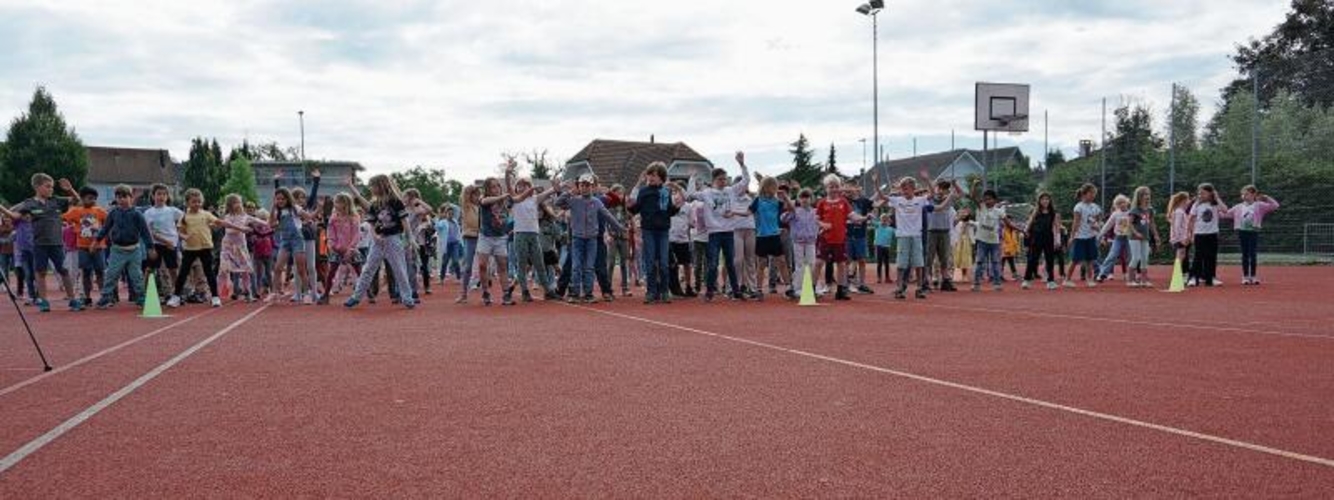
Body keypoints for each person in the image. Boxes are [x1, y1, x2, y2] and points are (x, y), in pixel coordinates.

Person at [0, 174, 81, 312]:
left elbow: (77, 200)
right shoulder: (29, 203)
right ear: (37, 187)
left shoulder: (56, 200)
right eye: (48, 186)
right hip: (39, 245)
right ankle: (44, 301)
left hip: (57, 244)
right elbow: (13, 215)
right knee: (40, 272)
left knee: (64, 271)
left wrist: (70, 189)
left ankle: (72, 299)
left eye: (52, 187)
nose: (51, 189)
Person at [344, 175, 416, 309]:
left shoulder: (396, 202)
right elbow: (371, 223)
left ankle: (407, 298)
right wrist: (375, 236)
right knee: (368, 269)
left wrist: (409, 239)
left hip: (393, 239)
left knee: (399, 269)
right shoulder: (375, 204)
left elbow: (405, 222)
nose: (371, 188)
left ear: (380, 186)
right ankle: (356, 296)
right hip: (377, 241)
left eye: (373, 186)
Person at [168, 189, 247, 308]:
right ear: (187, 203)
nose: (197, 204)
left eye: (199, 202)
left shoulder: (205, 214)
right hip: (190, 249)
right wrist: (185, 236)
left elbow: (221, 222)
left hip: (205, 248)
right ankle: (176, 296)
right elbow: (179, 231)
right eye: (194, 202)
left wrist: (240, 228)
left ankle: (215, 297)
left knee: (209, 272)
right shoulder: (185, 217)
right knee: (183, 273)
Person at [686, 152, 749, 302]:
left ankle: (736, 291)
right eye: (720, 179)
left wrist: (741, 164)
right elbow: (690, 195)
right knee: (712, 263)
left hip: (728, 232)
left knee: (730, 263)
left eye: (725, 179)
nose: (723, 182)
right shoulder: (707, 193)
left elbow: (746, 180)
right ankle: (709, 292)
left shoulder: (730, 191)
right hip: (714, 233)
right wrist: (692, 178)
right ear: (713, 180)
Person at [556, 174, 625, 303]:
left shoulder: (597, 201)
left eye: (588, 185)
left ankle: (588, 294)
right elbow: (558, 202)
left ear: (592, 187)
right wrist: (570, 192)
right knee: (575, 266)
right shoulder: (574, 200)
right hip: (577, 239)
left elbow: (608, 215)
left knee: (589, 267)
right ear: (579, 186)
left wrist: (620, 228)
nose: (585, 188)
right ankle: (575, 293)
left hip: (592, 240)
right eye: (582, 185)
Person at [628, 162, 683, 304]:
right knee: (650, 261)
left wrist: (676, 207)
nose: (651, 177)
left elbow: (669, 211)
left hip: (663, 230)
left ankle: (665, 291)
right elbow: (636, 209)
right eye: (649, 174)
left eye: (654, 175)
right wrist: (629, 206)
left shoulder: (666, 191)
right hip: (648, 230)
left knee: (664, 263)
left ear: (661, 177)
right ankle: (651, 291)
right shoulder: (644, 191)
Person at [92, 185, 152, 309]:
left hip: (134, 250)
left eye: (124, 197)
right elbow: (105, 228)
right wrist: (96, 241)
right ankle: (106, 297)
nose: (122, 200)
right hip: (117, 250)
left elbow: (145, 232)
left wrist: (150, 247)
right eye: (119, 197)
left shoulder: (137, 214)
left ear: (131, 198)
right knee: (111, 274)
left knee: (136, 275)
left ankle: (140, 297)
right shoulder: (113, 213)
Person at [876, 176, 931, 300]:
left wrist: (927, 180)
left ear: (913, 189)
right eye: (902, 189)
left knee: (919, 263)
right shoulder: (897, 200)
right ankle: (899, 288)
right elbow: (882, 197)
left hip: (916, 235)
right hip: (902, 236)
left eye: (906, 189)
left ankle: (919, 288)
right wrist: (876, 183)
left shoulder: (920, 200)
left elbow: (931, 194)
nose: (904, 191)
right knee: (901, 264)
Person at [508, 175, 559, 302]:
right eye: (519, 185)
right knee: (522, 264)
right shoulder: (516, 200)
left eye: (525, 185)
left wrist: (557, 187)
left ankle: (548, 291)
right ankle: (525, 291)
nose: (522, 188)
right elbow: (509, 187)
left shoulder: (535, 199)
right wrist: (507, 173)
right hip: (520, 235)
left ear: (530, 187)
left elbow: (549, 192)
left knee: (539, 263)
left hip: (534, 234)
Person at [816, 174, 862, 301]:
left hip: (840, 238)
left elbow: (853, 216)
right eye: (831, 187)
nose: (834, 189)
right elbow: (815, 218)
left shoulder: (844, 202)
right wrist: (822, 224)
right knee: (818, 262)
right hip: (825, 238)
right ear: (826, 188)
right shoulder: (822, 203)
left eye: (836, 186)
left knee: (841, 264)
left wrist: (863, 218)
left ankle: (841, 290)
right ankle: (813, 288)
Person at [748, 176, 794, 300]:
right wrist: (733, 213)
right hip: (762, 236)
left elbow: (791, 209)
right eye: (773, 186)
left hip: (774, 235)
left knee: (782, 262)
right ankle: (758, 290)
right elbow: (748, 212)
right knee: (761, 264)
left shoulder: (776, 201)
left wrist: (785, 197)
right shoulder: (758, 200)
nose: (775, 189)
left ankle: (789, 287)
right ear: (766, 187)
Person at [1225, 185, 1279, 285]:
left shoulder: (1259, 205)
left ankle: (1253, 276)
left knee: (1253, 254)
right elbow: (1226, 214)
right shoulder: (1238, 207)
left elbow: (1275, 206)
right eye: (1243, 194)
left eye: (1247, 194)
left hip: (1253, 232)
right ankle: (1245, 276)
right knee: (1245, 254)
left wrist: (1266, 197)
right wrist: (1215, 210)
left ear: (1254, 194)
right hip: (1242, 231)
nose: (1244, 196)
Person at [63, 186, 107, 305]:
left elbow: (108, 222)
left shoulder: (99, 211)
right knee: (86, 272)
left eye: (94, 199)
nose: (92, 201)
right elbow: (63, 218)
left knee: (100, 271)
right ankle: (86, 296)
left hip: (98, 247)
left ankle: (103, 295)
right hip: (83, 247)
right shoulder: (76, 211)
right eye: (89, 198)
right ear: (82, 199)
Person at [218, 194, 267, 303]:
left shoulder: (245, 216)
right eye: (235, 203)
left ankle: (248, 293)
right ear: (230, 205)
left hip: (241, 247)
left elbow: (260, 222)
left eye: (239, 202)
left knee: (245, 270)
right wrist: (243, 228)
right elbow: (229, 230)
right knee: (223, 269)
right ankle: (219, 293)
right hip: (228, 247)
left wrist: (270, 223)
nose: (238, 205)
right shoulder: (227, 217)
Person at [477, 170, 516, 306]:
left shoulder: (505, 201)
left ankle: (506, 294)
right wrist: (502, 197)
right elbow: (486, 201)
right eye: (492, 186)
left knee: (502, 265)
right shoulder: (484, 199)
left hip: (500, 237)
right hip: (485, 237)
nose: (496, 189)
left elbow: (513, 195)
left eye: (497, 186)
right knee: (482, 265)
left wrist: (507, 175)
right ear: (487, 189)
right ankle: (486, 292)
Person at [141, 183, 184, 303]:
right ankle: (143, 294)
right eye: (159, 194)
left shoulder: (173, 211)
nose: (161, 197)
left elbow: (185, 220)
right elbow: (149, 232)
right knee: (150, 269)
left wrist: (181, 233)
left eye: (164, 194)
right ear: (153, 196)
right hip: (156, 245)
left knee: (173, 269)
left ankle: (177, 294)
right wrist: (160, 243)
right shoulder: (149, 213)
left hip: (171, 244)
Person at [269, 186, 312, 303]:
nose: (280, 201)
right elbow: (271, 223)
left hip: (297, 239)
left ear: (287, 199)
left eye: (282, 199)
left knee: (301, 269)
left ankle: (307, 294)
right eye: (278, 199)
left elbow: (308, 216)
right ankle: (274, 293)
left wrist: (306, 220)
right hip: (285, 241)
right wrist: (273, 207)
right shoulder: (277, 211)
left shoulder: (294, 208)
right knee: (277, 268)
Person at [971, 190, 1017, 292]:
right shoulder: (981, 207)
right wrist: (974, 186)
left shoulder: (999, 211)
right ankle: (976, 283)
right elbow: (973, 196)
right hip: (982, 240)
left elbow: (1008, 223)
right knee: (979, 262)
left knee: (996, 262)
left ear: (995, 200)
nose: (988, 201)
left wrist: (1021, 229)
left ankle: (997, 283)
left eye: (990, 199)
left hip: (994, 242)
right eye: (986, 199)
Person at [923, 178, 962, 292]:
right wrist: (930, 182)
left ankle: (945, 281)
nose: (941, 190)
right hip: (931, 231)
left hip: (944, 231)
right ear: (935, 188)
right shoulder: (929, 199)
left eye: (944, 188)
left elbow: (961, 194)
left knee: (944, 259)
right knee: (928, 259)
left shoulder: (948, 199)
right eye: (939, 187)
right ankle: (926, 281)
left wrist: (955, 184)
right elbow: (932, 197)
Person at [1187, 183, 1228, 287]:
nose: (1200, 195)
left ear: (1210, 193)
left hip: (1212, 234)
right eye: (1199, 193)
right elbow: (1191, 220)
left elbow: (1225, 210)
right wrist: (1190, 234)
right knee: (1198, 256)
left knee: (1211, 256)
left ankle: (1211, 278)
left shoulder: (1214, 204)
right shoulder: (1196, 204)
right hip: (1199, 234)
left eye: (1203, 193)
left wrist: (1217, 198)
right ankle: (1193, 278)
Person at [784, 188, 820, 299]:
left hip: (810, 242)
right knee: (799, 265)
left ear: (811, 199)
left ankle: (812, 287)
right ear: (799, 199)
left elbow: (821, 222)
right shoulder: (795, 211)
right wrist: (789, 205)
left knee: (812, 264)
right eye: (802, 197)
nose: (805, 200)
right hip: (798, 242)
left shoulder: (815, 212)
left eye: (807, 197)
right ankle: (797, 288)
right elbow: (784, 219)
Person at [1022, 192, 1063, 290]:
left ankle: (1051, 281)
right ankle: (1027, 280)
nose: (1045, 201)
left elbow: (1057, 227)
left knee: (1050, 260)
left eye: (1047, 199)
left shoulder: (1053, 212)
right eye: (1043, 199)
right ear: (1039, 201)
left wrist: (1058, 240)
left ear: (1050, 201)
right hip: (1036, 237)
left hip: (1048, 237)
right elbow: (1030, 222)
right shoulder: (1036, 211)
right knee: (1032, 259)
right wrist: (1025, 231)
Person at [1067, 183, 1103, 288]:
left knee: (1090, 259)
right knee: (1075, 259)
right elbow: (1076, 223)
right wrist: (1072, 236)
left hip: (1091, 237)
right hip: (1079, 237)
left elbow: (1097, 220)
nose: (1093, 195)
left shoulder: (1095, 207)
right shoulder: (1078, 207)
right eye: (1091, 193)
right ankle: (1067, 279)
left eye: (1094, 193)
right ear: (1084, 194)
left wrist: (1097, 228)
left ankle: (1089, 279)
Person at [1126, 187, 1161, 288]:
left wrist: (1156, 235)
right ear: (1139, 197)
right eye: (1145, 195)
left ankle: (1144, 280)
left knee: (1145, 258)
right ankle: (1130, 280)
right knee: (1136, 258)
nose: (1147, 197)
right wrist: (1136, 233)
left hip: (1145, 237)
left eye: (1148, 194)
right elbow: (1129, 223)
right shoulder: (1135, 210)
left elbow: (1152, 224)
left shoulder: (1150, 210)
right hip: (1134, 238)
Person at [843, 184, 875, 294]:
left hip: (861, 234)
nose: (849, 191)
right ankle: (845, 283)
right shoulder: (844, 201)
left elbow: (875, 205)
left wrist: (871, 215)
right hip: (847, 234)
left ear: (856, 188)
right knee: (847, 260)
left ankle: (862, 284)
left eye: (850, 188)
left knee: (862, 260)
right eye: (847, 189)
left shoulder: (864, 201)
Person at [668, 181, 696, 298]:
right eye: (674, 192)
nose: (676, 195)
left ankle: (688, 286)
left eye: (678, 192)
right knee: (672, 264)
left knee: (686, 264)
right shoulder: (669, 205)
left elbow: (692, 224)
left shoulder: (689, 207)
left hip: (683, 239)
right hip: (670, 239)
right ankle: (674, 287)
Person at [1096, 195, 1132, 283]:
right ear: (1117, 205)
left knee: (1131, 256)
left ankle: (1133, 275)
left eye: (1123, 202)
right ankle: (1102, 274)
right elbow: (1108, 225)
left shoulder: (1131, 213)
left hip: (1129, 238)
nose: (1122, 204)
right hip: (1118, 238)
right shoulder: (1115, 214)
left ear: (1127, 202)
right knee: (1112, 255)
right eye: (1119, 203)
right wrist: (1100, 235)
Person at [456, 186, 482, 303]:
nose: (477, 197)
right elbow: (465, 195)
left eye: (478, 195)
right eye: (475, 195)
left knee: (484, 266)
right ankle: (463, 293)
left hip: (482, 237)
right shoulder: (466, 207)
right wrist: (474, 187)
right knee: (468, 267)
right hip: (470, 238)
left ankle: (485, 293)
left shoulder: (480, 207)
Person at [1166, 191, 1193, 276]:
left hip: (1181, 238)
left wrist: (1187, 236)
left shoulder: (1181, 211)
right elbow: (1177, 227)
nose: (1189, 201)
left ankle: (1179, 274)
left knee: (1183, 256)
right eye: (1188, 199)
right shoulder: (1179, 212)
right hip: (1179, 239)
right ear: (1183, 200)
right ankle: (1177, 275)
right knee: (1180, 256)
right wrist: (1181, 239)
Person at [873, 213, 895, 284]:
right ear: (880, 219)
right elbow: (872, 221)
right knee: (879, 262)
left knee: (887, 263)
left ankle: (887, 277)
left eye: (886, 219)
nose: (884, 220)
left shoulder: (891, 229)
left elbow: (897, 234)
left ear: (888, 220)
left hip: (887, 247)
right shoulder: (878, 225)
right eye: (883, 219)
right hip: (879, 246)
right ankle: (879, 278)